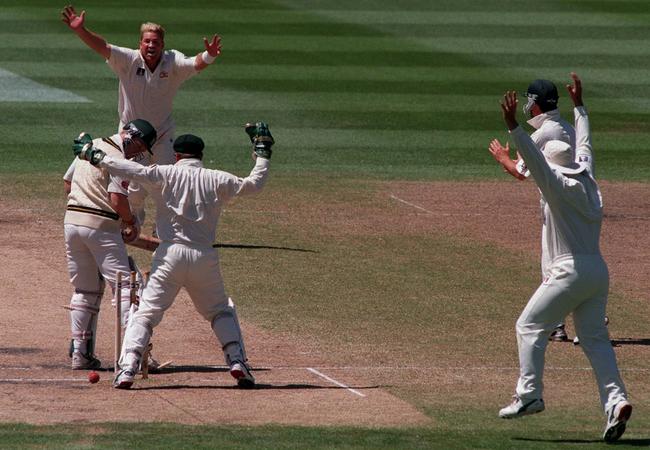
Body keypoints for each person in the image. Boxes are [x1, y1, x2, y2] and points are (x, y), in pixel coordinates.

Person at [73, 122, 274, 389]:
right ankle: (237, 361)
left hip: (169, 256)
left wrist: (96, 156)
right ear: (200, 156)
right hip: (204, 256)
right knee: (219, 311)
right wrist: (262, 153)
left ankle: (127, 370)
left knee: (146, 313)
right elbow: (254, 184)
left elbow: (130, 169)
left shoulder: (164, 174)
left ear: (177, 156)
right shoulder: (217, 178)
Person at [491, 74, 632, 443]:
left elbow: (535, 163)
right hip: (597, 272)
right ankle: (616, 403)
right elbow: (584, 141)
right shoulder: (588, 174)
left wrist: (512, 127)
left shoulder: (555, 183)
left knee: (528, 326)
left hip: (568, 271)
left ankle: (530, 396)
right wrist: (580, 106)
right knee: (595, 342)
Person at [61, 4, 222, 226]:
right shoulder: (128, 60)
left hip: (163, 135)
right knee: (133, 188)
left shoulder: (172, 61)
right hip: (132, 138)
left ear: (162, 45)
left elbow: (194, 63)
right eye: (147, 41)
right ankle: (132, 223)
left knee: (169, 182)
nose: (151, 45)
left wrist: (209, 55)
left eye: (156, 42)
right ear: (140, 44)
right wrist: (80, 30)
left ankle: (167, 227)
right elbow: (103, 47)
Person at [64, 119, 156, 370]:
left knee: (85, 290)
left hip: (72, 222)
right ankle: (130, 355)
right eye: (141, 147)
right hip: (102, 224)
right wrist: (129, 223)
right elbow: (117, 199)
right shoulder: (117, 158)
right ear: (132, 137)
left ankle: (80, 354)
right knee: (125, 287)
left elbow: (67, 183)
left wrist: (85, 202)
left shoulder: (91, 145)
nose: (139, 154)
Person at [489, 78, 576, 342]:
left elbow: (520, 173)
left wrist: (502, 158)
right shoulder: (568, 128)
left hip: (553, 204)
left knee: (552, 263)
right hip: (575, 200)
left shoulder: (542, 133)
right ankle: (573, 317)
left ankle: (560, 323)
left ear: (536, 104)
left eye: (530, 100)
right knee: (571, 258)